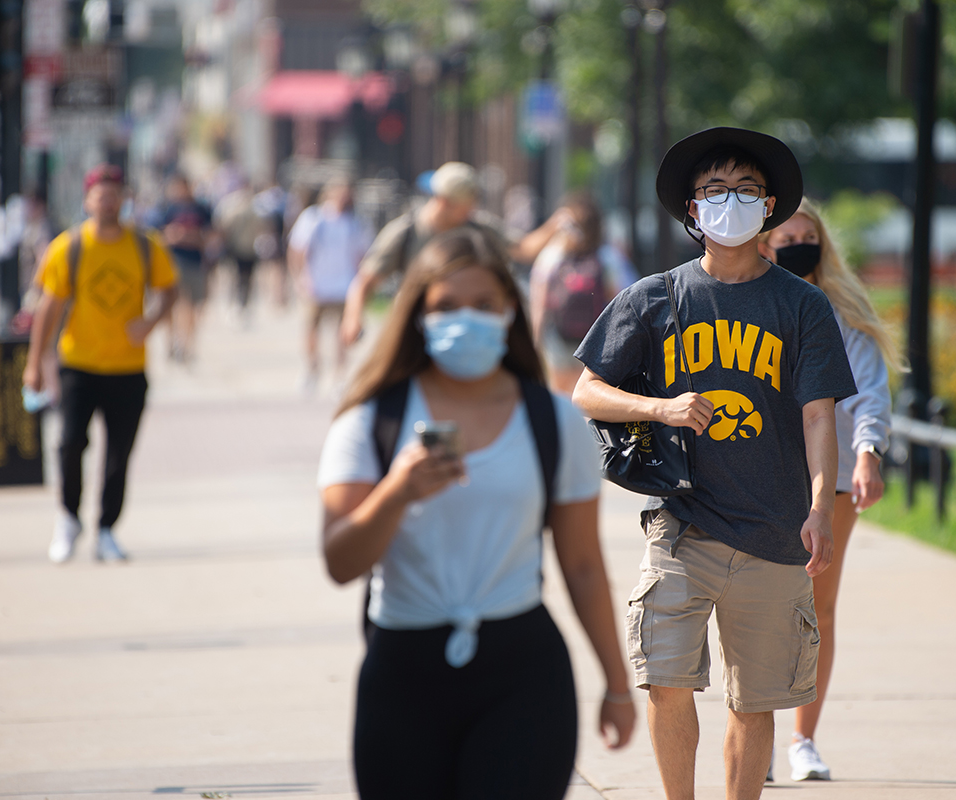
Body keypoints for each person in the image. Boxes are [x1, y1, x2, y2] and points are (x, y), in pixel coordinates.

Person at [570, 127, 856, 800]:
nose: (731, 202)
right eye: (716, 191)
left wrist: (820, 508)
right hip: (681, 525)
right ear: (693, 211)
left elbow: (819, 415)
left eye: (746, 190)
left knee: (754, 703)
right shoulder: (655, 297)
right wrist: (660, 409)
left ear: (771, 206)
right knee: (666, 681)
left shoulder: (802, 305)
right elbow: (586, 389)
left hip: (773, 531)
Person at [319, 227, 636, 799]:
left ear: (511, 312)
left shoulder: (554, 423)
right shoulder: (370, 423)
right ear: (417, 315)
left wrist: (617, 683)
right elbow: (340, 562)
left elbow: (584, 566)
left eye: (484, 305)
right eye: (445, 306)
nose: (465, 319)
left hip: (523, 673)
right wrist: (395, 493)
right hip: (403, 673)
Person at [757, 198, 898, 782]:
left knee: (819, 610)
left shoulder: (842, 310)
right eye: (784, 235)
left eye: (806, 234)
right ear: (765, 243)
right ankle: (754, 737)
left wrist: (868, 453)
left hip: (832, 479)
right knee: (759, 610)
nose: (796, 244)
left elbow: (870, 392)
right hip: (762, 476)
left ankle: (803, 740)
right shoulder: (752, 305)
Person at [23, 164, 179, 563]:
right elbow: (49, 308)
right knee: (70, 442)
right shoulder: (69, 247)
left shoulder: (145, 245)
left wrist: (152, 320)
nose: (106, 202)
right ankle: (69, 518)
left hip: (128, 367)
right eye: (99, 195)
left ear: (124, 199)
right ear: (87, 200)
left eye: (113, 195)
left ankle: (107, 528)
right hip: (79, 363)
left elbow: (169, 289)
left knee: (118, 453)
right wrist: (36, 362)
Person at [340, 162, 514, 346]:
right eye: (463, 206)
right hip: (414, 327)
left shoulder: (477, 229)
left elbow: (523, 248)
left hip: (463, 328)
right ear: (443, 201)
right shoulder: (407, 231)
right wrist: (352, 318)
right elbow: (365, 280)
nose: (469, 211)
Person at [526, 191, 638, 394]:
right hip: (597, 338)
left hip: (560, 337)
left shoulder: (553, 256)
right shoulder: (609, 256)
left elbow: (539, 303)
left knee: (560, 392)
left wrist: (535, 341)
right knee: (591, 392)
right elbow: (627, 300)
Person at [287, 177, 374, 395]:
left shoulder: (356, 223)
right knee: (311, 329)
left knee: (342, 333)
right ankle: (312, 369)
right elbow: (297, 249)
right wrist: (299, 278)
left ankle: (340, 374)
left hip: (345, 285)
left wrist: (362, 283)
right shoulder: (313, 218)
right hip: (316, 285)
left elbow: (363, 254)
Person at [159, 174, 214, 362]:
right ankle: (174, 343)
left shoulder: (201, 209)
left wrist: (191, 237)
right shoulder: (168, 209)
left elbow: (211, 236)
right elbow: (158, 236)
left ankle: (187, 344)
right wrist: (174, 236)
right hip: (174, 262)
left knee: (194, 306)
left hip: (196, 262)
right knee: (179, 305)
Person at [213, 183, 264, 322]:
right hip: (245, 250)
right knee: (244, 280)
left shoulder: (235, 212)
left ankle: (237, 305)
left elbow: (224, 229)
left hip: (240, 250)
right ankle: (242, 305)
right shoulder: (254, 212)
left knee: (237, 280)